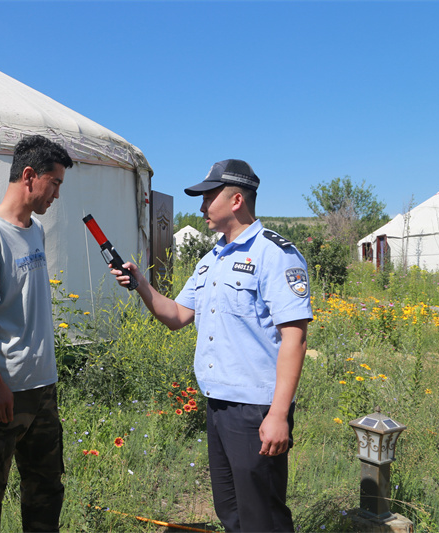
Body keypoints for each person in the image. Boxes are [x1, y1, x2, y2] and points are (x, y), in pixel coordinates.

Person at [111, 159, 312, 532]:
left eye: (208, 197)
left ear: (236, 200)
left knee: (262, 516)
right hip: (218, 404)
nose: (202, 206)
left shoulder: (275, 254)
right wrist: (140, 283)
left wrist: (278, 414)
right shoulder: (210, 261)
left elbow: (295, 338)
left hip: (256, 409)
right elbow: (176, 316)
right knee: (231, 510)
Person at [0, 135, 73, 532]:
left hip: (42, 387)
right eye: (54, 183)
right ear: (29, 176)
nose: (57, 194)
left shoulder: (35, 229)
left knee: (46, 490)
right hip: (2, 391)